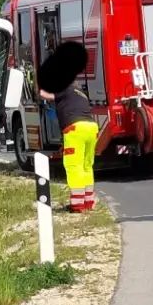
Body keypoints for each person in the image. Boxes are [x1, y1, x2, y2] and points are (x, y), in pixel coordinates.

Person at [38, 41, 95, 212]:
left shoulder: (64, 87)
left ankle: (77, 205)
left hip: (75, 128)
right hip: (91, 128)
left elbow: (48, 95)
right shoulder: (79, 90)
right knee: (86, 165)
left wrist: (39, 91)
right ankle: (88, 201)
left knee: (73, 165)